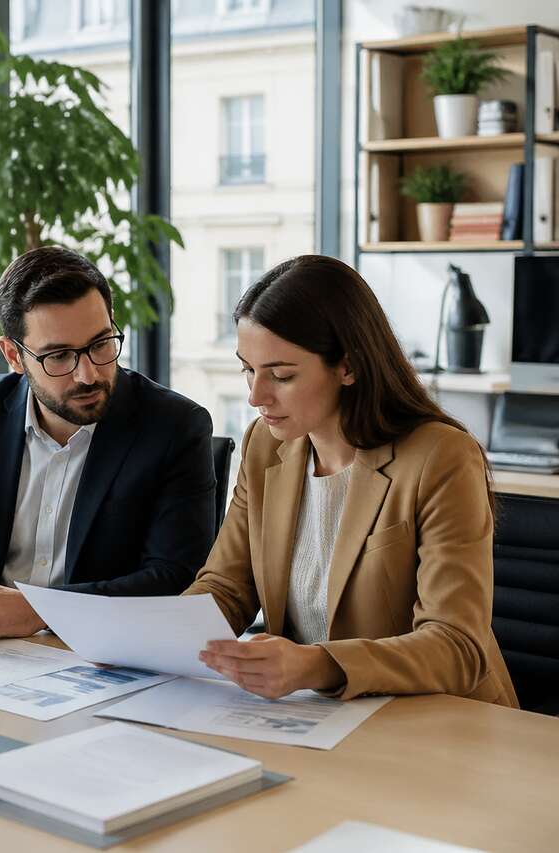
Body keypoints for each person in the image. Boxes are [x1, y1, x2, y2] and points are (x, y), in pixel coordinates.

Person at [189, 254, 518, 708]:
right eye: (248, 369)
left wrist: (315, 665)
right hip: (319, 720)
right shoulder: (266, 445)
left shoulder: (441, 458)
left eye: (281, 375)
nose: (255, 396)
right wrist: (146, 641)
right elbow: (226, 588)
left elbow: (456, 646)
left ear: (348, 366)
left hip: (441, 723)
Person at [0, 246, 216, 640]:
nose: (88, 374)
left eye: (101, 344)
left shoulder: (174, 426)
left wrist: (42, 611)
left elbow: (174, 578)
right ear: (13, 356)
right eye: (59, 356)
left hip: (102, 658)